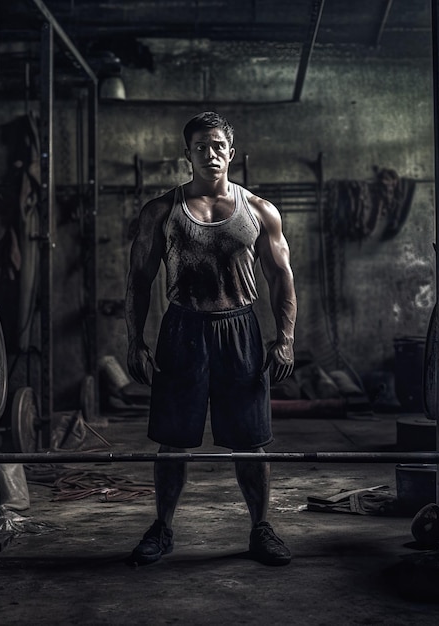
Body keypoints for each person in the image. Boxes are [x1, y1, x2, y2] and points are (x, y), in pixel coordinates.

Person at [125, 111, 297, 566]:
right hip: (182, 330)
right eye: (201, 146)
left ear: (231, 153)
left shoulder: (259, 210)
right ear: (188, 154)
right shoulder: (161, 211)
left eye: (218, 145)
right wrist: (134, 341)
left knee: (251, 440)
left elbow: (281, 278)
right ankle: (162, 528)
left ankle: (262, 528)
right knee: (172, 440)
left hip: (240, 330)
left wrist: (285, 338)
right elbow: (138, 280)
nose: (211, 153)